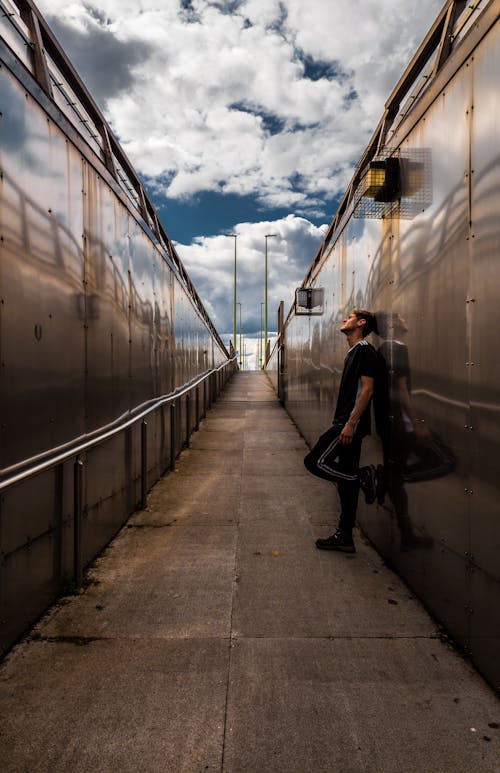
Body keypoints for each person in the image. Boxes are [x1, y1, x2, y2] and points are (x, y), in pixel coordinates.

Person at [304, 308, 378, 553]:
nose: (344, 319)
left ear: (361, 323)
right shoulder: (353, 352)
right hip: (346, 423)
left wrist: (350, 424)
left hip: (347, 425)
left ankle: (362, 477)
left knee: (314, 461)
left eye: (350, 317)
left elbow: (367, 390)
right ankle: (345, 536)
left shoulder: (365, 351)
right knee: (345, 483)